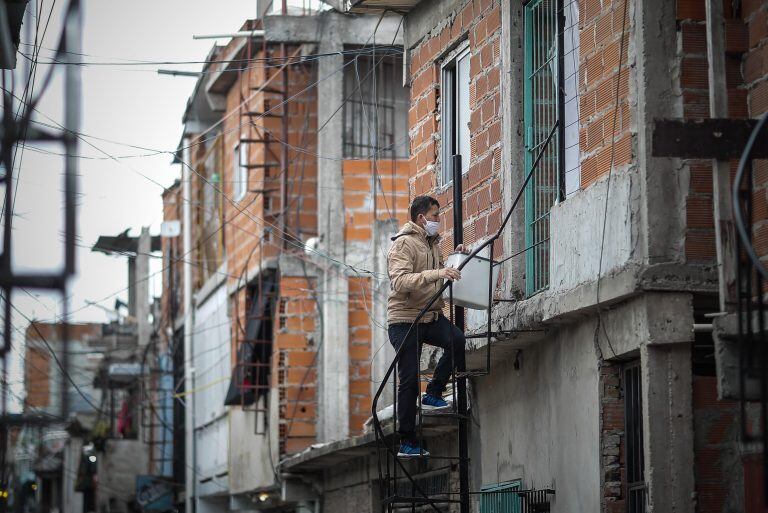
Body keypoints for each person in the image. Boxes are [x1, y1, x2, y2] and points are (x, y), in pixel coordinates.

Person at [387, 195, 467, 457]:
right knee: (409, 379)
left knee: (456, 340)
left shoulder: (432, 245)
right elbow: (400, 281)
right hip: (405, 319)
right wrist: (438, 273)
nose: (438, 220)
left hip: (429, 315)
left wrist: (457, 258)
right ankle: (406, 441)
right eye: (435, 215)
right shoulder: (403, 244)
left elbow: (442, 273)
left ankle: (433, 392)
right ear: (421, 218)